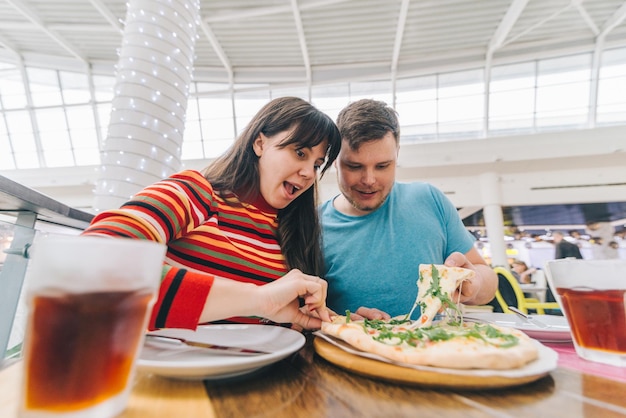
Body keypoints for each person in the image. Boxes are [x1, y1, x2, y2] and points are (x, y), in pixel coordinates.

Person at [82, 96, 341, 331]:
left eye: (317, 164)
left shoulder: (294, 231)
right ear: (260, 143)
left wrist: (341, 324)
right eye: (299, 153)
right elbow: (92, 262)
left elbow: (284, 325)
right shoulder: (198, 193)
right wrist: (258, 299)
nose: (309, 173)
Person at [319, 99, 498, 320]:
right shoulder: (314, 226)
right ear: (335, 159)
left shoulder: (430, 199)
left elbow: (487, 279)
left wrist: (475, 282)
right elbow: (304, 311)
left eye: (383, 166)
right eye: (354, 166)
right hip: (347, 353)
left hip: (432, 350)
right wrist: (339, 321)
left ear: (397, 154)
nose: (369, 180)